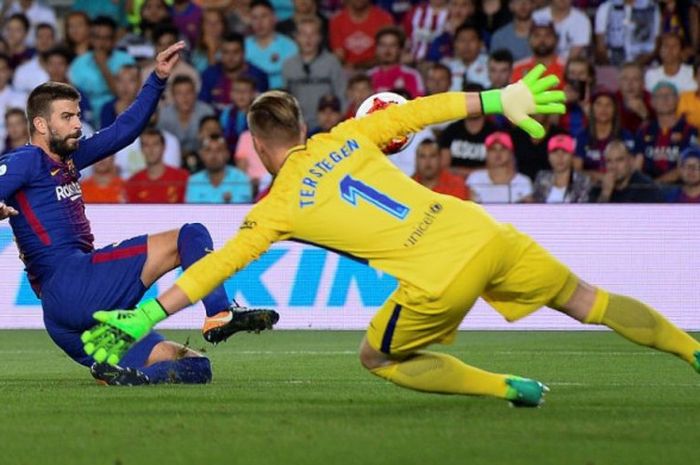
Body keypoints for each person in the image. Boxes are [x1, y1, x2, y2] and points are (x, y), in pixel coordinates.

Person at [82, 64, 700, 406]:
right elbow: (417, 111)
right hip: (484, 231)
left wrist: (141, 318)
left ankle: (506, 388)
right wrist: (500, 96)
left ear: (260, 147)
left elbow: (212, 269)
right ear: (301, 124)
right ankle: (690, 349)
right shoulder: (351, 135)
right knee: (588, 301)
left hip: (440, 278)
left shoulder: (274, 208)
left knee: (376, 356)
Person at [0, 42, 278, 385]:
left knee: (194, 366)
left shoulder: (68, 158)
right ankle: (220, 313)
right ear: (41, 125)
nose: (77, 124)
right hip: (71, 281)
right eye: (67, 117)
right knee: (189, 236)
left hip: (69, 317)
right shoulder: (25, 160)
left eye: (77, 114)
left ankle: (132, 379)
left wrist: (158, 79)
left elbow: (124, 130)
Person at [68, 16, 136, 127]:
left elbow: (124, 95)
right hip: (84, 119)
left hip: (117, 116)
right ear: (91, 39)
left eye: (106, 38)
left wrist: (103, 66)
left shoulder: (126, 60)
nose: (101, 43)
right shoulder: (78, 63)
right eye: (97, 38)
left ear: (114, 40)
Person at [282, 17, 346, 129]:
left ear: (320, 37)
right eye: (303, 34)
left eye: (313, 34)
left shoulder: (332, 63)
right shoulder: (288, 65)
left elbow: (342, 94)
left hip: (328, 127)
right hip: (299, 126)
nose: (308, 39)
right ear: (296, 37)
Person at [634, 81, 698, 184]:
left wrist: (655, 184)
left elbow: (686, 167)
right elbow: (637, 167)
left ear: (677, 100)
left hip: (678, 188)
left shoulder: (689, 130)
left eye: (669, 95)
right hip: (646, 189)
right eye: (659, 96)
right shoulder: (644, 130)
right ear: (652, 102)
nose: (664, 99)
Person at [438, 83, 498, 178]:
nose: (472, 105)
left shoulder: (495, 133)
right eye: (468, 101)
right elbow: (443, 167)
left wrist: (459, 171)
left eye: (476, 101)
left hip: (486, 184)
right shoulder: (451, 130)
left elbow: (497, 168)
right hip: (454, 184)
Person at [199, 32, 269, 111]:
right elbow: (203, 106)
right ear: (220, 53)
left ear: (243, 53)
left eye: (235, 52)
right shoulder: (209, 75)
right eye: (226, 52)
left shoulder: (258, 76)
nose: (230, 57)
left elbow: (262, 109)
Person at [574, 90, 634, 182]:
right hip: (590, 188)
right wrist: (600, 177)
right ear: (592, 108)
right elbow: (576, 171)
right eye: (599, 104)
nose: (603, 109)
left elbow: (632, 168)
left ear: (615, 109)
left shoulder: (625, 136)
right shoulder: (582, 137)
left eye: (608, 105)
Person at [125, 127, 190, 204]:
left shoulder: (182, 177)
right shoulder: (133, 182)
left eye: (155, 144)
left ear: (163, 147)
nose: (151, 149)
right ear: (141, 149)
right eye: (146, 145)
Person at [244, 0, 299, 89]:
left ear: (274, 18)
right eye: (254, 18)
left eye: (264, 16)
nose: (259, 22)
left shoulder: (290, 46)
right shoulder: (242, 46)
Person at [467, 131, 533, 203]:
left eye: (503, 149)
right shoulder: (476, 178)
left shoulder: (523, 181)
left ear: (510, 153)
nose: (498, 153)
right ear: (486, 153)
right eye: (493, 149)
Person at [157, 75, 216, 155]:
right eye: (179, 93)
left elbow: (214, 140)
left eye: (188, 92)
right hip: (172, 157)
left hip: (202, 156)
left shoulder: (206, 112)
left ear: (195, 94)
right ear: (173, 96)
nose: (184, 97)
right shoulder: (164, 115)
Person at [185, 134, 253, 204]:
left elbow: (244, 211)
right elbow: (192, 212)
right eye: (208, 150)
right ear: (201, 155)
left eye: (219, 150)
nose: (214, 155)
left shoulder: (241, 178)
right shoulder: (194, 181)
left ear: (227, 154)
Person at [591, 140, 664, 202]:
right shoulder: (599, 188)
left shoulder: (646, 188)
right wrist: (605, 194)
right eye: (609, 161)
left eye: (619, 160)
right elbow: (592, 218)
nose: (614, 167)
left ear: (631, 161)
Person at [328, 0, 394, 70]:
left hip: (377, 70)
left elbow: (386, 55)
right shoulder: (337, 21)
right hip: (347, 72)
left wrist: (358, 66)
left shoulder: (384, 18)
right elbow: (339, 55)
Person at [593, 0, 659, 66]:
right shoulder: (606, 7)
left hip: (644, 65)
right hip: (613, 65)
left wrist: (634, 67)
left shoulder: (651, 7)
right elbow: (600, 48)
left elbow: (655, 47)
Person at [532, 134, 591, 202]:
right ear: (548, 156)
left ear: (572, 156)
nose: (560, 157)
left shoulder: (583, 181)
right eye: (555, 152)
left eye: (564, 152)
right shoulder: (542, 178)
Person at [441, 23, 491, 91]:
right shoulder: (448, 67)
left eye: (471, 40)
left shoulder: (490, 65)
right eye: (462, 40)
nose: (466, 45)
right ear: (455, 44)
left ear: (481, 43)